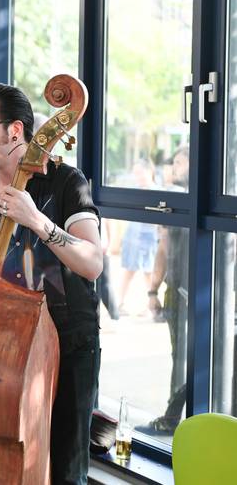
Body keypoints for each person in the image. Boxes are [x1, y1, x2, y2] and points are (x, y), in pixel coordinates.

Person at [0, 82, 102, 484]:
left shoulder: (67, 184)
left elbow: (92, 262)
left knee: (67, 468)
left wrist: (38, 221)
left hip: (68, 341)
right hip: (5, 344)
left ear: (15, 130)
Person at [137, 146, 190, 435]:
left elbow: (163, 247)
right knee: (181, 356)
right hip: (180, 290)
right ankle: (175, 416)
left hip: (190, 292)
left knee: (184, 357)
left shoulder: (181, 199)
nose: (174, 166)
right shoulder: (176, 198)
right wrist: (153, 290)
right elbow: (163, 247)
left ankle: (172, 418)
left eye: (180, 161)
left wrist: (152, 290)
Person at [117, 159, 159, 316]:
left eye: (140, 173)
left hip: (149, 236)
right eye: (136, 174)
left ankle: (151, 306)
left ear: (150, 171)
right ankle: (119, 303)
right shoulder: (134, 190)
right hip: (132, 236)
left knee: (149, 272)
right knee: (129, 270)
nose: (138, 177)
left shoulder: (157, 191)